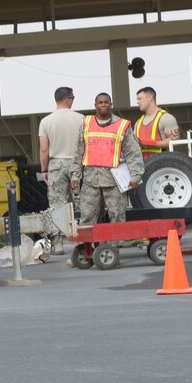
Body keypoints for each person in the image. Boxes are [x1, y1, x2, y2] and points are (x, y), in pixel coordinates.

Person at [72, 92, 145, 235]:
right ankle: (87, 250)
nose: (103, 105)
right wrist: (75, 176)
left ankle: (115, 247)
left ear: (111, 105)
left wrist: (136, 176)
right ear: (95, 105)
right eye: (100, 102)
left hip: (114, 180)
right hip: (90, 180)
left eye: (106, 102)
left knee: (117, 216)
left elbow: (133, 153)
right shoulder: (86, 125)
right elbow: (78, 153)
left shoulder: (122, 125)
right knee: (87, 217)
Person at [33, 86, 79, 261]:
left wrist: (44, 169)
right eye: (72, 97)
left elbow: (44, 149)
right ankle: (80, 240)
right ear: (67, 99)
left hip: (56, 166)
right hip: (76, 165)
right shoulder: (81, 119)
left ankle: (58, 243)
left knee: (57, 205)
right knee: (81, 202)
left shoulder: (46, 122)